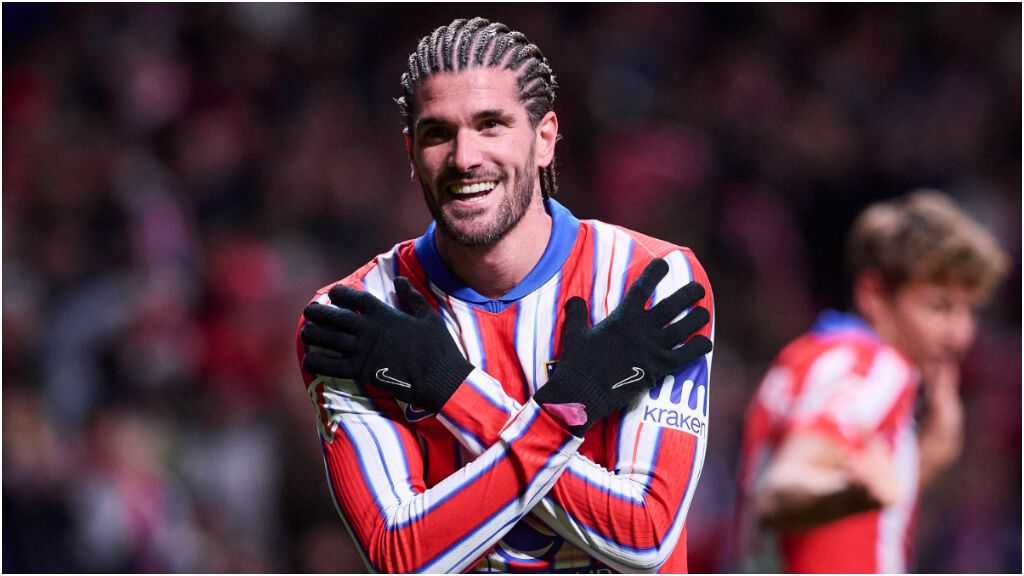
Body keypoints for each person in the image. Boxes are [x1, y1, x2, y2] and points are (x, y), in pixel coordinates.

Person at [294, 17, 715, 574]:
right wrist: (571, 408)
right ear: (411, 151)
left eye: (491, 125)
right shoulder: (352, 317)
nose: (465, 157)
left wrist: (449, 388)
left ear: (544, 139)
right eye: (437, 132)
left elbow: (643, 536)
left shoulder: (651, 280)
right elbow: (403, 558)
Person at [733, 190, 1007, 572]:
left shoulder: (809, 356)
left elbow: (855, 518)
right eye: (939, 307)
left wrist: (927, 456)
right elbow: (779, 492)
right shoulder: (874, 366)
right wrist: (852, 494)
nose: (960, 335)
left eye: (968, 309)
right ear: (873, 294)